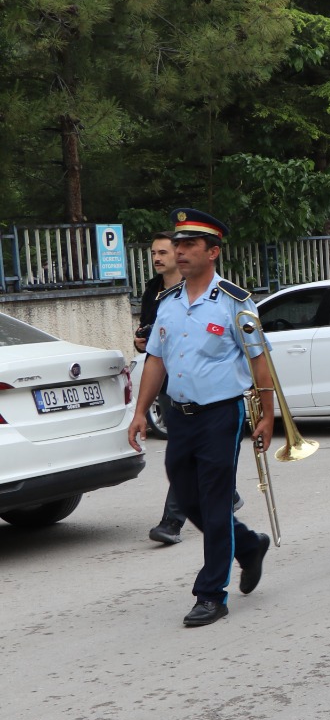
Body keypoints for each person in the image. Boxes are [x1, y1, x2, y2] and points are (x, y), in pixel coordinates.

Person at [127, 209, 274, 628]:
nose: (180, 251)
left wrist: (267, 417)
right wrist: (140, 411)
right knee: (187, 495)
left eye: (190, 244)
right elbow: (156, 360)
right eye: (178, 244)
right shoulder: (168, 303)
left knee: (212, 502)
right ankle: (247, 544)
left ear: (213, 252)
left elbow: (260, 364)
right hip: (180, 416)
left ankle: (211, 594)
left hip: (220, 416)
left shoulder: (235, 302)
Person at [136, 231, 188, 545]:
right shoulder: (152, 291)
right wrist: (139, 340)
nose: (157, 258)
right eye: (154, 253)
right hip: (165, 382)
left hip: (194, 382)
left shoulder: (191, 290)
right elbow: (149, 341)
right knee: (188, 452)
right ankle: (227, 493)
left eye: (163, 253)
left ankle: (172, 522)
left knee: (181, 454)